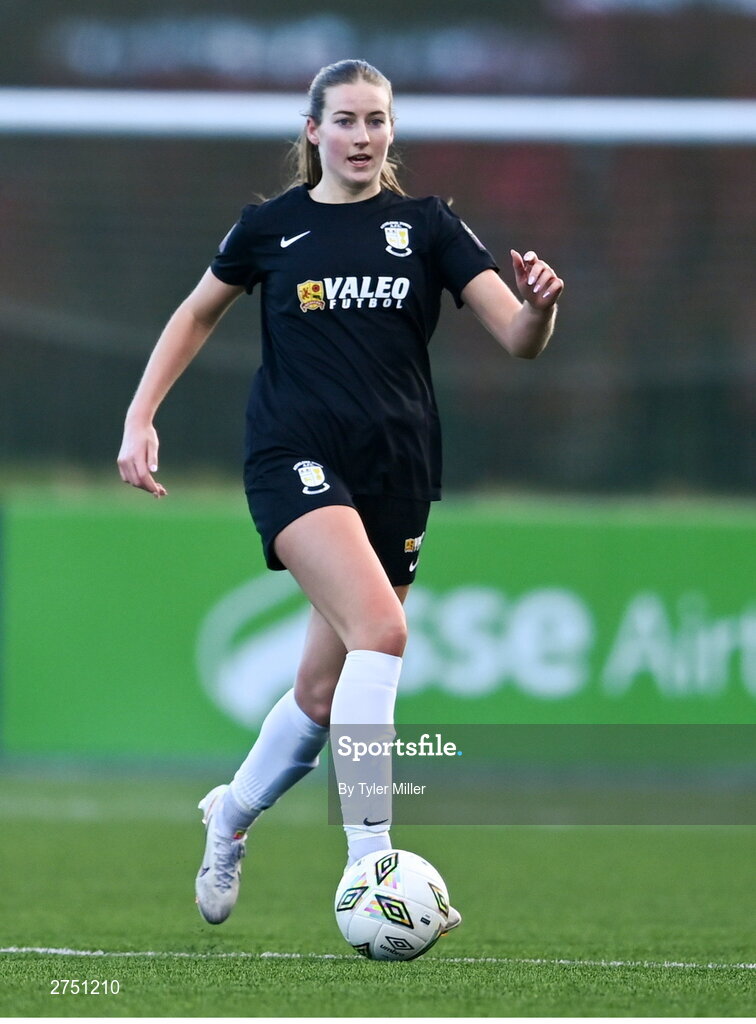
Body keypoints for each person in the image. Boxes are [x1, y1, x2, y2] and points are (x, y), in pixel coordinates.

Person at [117, 58, 564, 934]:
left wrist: (542, 307)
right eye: (347, 121)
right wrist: (141, 416)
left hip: (397, 470)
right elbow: (196, 312)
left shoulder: (427, 227)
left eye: (378, 121)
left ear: (392, 132)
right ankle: (372, 862)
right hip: (293, 457)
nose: (364, 137)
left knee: (321, 697)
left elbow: (517, 337)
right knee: (385, 632)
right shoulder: (270, 227)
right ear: (313, 130)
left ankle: (231, 816)